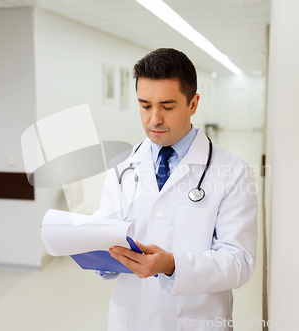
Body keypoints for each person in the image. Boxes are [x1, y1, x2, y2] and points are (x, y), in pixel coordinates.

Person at [93, 48, 258, 331]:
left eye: (167, 107)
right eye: (145, 105)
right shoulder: (123, 166)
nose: (154, 118)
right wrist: (99, 254)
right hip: (131, 320)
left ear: (193, 104)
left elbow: (239, 262)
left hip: (195, 321)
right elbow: (104, 234)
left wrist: (171, 265)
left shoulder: (233, 172)